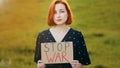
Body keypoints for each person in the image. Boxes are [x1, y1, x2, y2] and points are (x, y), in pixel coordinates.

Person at [34, 0, 91, 68]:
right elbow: (38, 60)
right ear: (51, 15)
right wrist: (40, 66)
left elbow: (83, 60)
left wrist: (78, 65)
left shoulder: (77, 35)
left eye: (62, 11)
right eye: (54, 12)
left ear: (68, 13)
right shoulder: (42, 36)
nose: (58, 15)